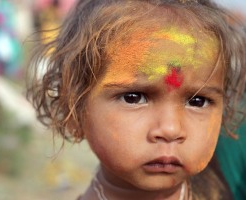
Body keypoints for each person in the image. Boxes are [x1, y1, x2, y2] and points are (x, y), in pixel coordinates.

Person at [26, 0, 246, 199]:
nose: (170, 129)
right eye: (134, 98)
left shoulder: (225, 186)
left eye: (198, 101)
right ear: (73, 109)